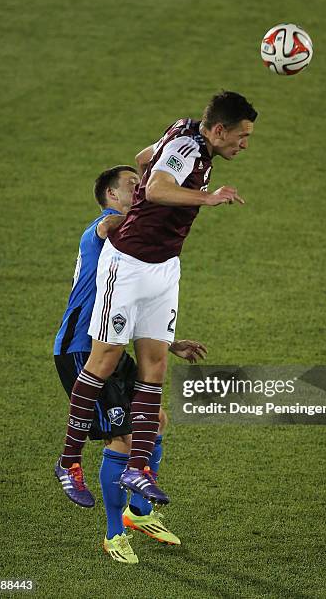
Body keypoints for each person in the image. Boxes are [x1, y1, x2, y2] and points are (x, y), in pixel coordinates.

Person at [57, 90, 257, 507]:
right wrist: (208, 197)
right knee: (104, 361)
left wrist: (162, 191)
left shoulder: (186, 133)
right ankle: (68, 460)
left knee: (156, 364)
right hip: (127, 264)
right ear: (218, 130)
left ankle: (138, 467)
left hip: (164, 267)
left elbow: (145, 156)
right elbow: (159, 187)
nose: (245, 144)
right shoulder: (187, 146)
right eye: (241, 136)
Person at [54, 165, 207, 563]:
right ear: (111, 196)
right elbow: (118, 229)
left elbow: (135, 299)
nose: (140, 191)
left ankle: (138, 513)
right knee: (121, 438)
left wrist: (168, 343)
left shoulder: (132, 244)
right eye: (132, 187)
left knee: (155, 420)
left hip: (114, 345)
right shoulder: (105, 226)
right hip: (80, 350)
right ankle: (113, 534)